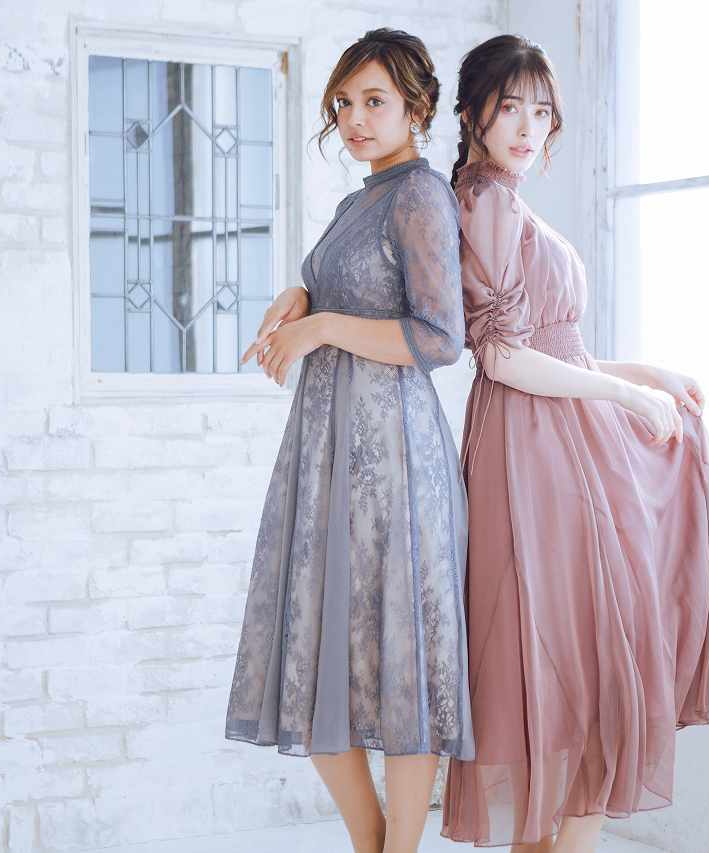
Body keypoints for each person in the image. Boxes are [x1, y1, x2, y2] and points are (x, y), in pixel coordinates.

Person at [440, 35, 709, 853]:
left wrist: (644, 373)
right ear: (471, 114)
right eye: (510, 108)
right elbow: (502, 357)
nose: (528, 127)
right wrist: (624, 395)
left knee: (575, 675)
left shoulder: (499, 200)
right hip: (533, 452)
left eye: (542, 112)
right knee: (583, 670)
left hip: (552, 439)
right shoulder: (488, 202)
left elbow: (555, 346)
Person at [224, 28, 474, 853]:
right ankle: (373, 843)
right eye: (343, 103)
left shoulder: (421, 196)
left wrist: (324, 323)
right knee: (320, 651)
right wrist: (299, 296)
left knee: (401, 661)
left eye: (374, 101)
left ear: (417, 108)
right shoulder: (358, 202)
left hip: (394, 459)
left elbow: (440, 337)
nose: (355, 119)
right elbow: (341, 279)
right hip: (330, 453)